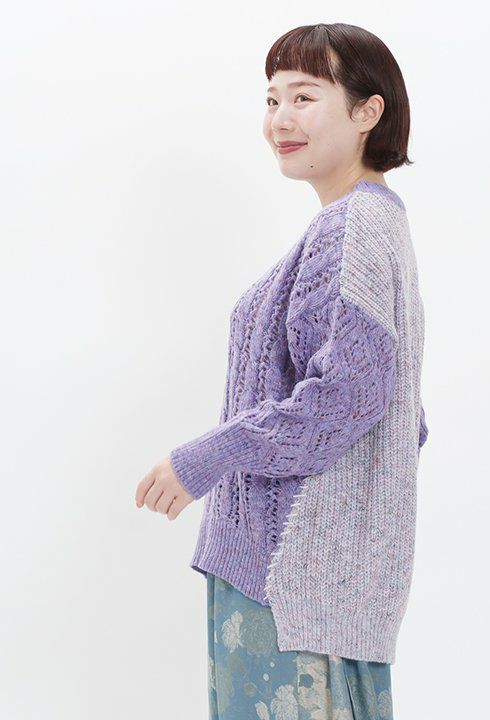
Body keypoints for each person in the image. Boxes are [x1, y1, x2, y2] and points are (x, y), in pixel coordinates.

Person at [136, 22, 429, 719]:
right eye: (272, 100)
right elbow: (400, 417)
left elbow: (345, 399)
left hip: (290, 583)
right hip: (306, 579)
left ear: (367, 111)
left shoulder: (353, 227)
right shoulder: (373, 223)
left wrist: (206, 458)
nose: (280, 120)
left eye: (304, 97)